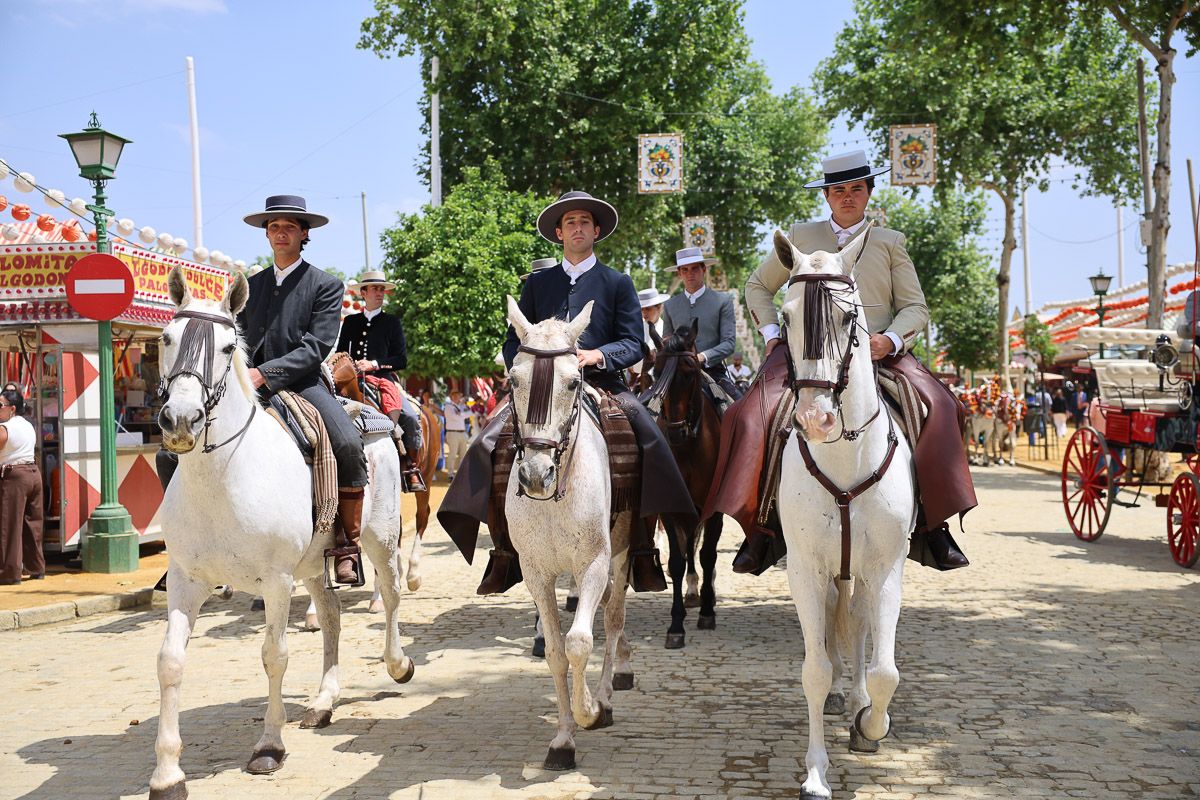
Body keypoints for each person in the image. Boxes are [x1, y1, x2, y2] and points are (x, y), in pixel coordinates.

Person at [712, 149, 975, 574]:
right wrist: (774, 337)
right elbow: (758, 286)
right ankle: (760, 526)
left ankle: (931, 523)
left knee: (944, 406)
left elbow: (915, 308)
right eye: (838, 190)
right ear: (827, 196)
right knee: (747, 415)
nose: (847, 197)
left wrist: (888, 340)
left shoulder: (890, 243)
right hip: (808, 355)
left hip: (877, 357)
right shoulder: (800, 235)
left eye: (856, 189)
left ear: (869, 193)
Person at [437, 190, 697, 594]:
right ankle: (504, 551)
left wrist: (598, 355)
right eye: (570, 222)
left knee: (649, 438)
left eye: (585, 222)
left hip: (600, 382)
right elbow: (513, 340)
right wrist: (527, 365)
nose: (578, 227)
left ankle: (643, 549)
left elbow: (633, 343)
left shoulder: (618, 282)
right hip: (541, 386)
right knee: (489, 439)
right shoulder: (539, 283)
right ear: (559, 233)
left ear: (596, 231)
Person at [238, 195, 369, 585]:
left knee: (347, 442)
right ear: (266, 234)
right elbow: (238, 335)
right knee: (180, 444)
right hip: (248, 384)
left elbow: (317, 346)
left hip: (303, 382)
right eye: (274, 227)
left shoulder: (326, 285)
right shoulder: (249, 285)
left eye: (289, 227)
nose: (281, 233)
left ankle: (348, 542)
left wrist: (264, 373)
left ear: (304, 234)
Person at [337, 270, 426, 492]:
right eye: (375, 289)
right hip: (353, 379)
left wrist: (374, 364)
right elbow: (340, 354)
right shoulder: (350, 322)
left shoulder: (391, 322)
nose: (379, 293)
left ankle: (411, 468)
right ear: (363, 293)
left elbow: (401, 359)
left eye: (382, 289)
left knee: (410, 417)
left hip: (383, 378)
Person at [660, 247, 740, 400]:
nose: (690, 273)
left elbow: (729, 343)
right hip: (677, 374)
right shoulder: (670, 305)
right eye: (685, 269)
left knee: (742, 410)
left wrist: (702, 357)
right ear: (679, 273)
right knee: (649, 409)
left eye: (695, 268)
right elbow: (667, 341)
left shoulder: (723, 301)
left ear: (704, 269)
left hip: (713, 372)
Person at [0, 389, 43, 584]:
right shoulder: (27, 425)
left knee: (9, 525)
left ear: (12, 408)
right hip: (33, 473)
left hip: (15, 476)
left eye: (1, 405)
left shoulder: (5, 428)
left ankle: (9, 572)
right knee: (32, 524)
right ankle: (36, 567)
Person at [631, 286, 670, 384]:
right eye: (642, 309)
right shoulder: (635, 329)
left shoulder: (667, 330)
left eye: (648, 309)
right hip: (634, 379)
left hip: (660, 380)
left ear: (659, 307)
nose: (644, 313)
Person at [443, 388, 471, 479]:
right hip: (453, 433)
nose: (456, 397)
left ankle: (460, 473)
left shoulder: (461, 406)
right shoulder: (448, 406)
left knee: (463, 454)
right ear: (451, 397)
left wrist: (462, 414)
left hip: (462, 432)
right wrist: (464, 414)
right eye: (454, 395)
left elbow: (471, 413)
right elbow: (456, 417)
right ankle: (450, 474)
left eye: (458, 395)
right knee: (452, 454)